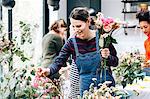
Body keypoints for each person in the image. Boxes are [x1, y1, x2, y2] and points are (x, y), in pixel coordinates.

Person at [38, 7, 118, 97]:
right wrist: (48, 70)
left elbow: (115, 62)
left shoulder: (102, 38)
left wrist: (108, 57)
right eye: (73, 26)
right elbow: (59, 61)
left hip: (106, 89)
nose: (76, 30)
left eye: (79, 26)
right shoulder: (72, 43)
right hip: (86, 91)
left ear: (88, 21)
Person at [136, 11, 150, 76]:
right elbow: (147, 60)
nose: (143, 30)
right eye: (141, 28)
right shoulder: (146, 42)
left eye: (145, 27)